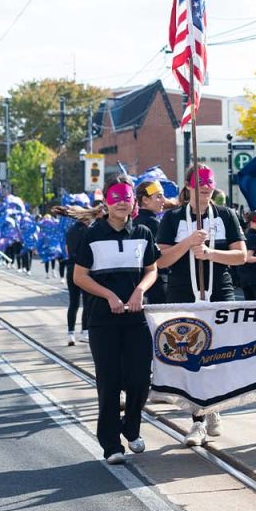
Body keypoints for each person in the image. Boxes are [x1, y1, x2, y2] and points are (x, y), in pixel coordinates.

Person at [70, 176, 160, 464]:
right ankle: (111, 445)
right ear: (106, 201)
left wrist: (139, 291)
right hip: (102, 321)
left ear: (134, 201)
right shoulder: (92, 234)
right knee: (108, 383)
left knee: (138, 380)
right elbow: (79, 277)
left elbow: (152, 269)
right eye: (116, 196)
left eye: (127, 196)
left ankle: (131, 429)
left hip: (136, 319)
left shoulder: (144, 232)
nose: (123, 201)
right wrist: (108, 295)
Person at [157, 163, 247, 446]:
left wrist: (210, 253)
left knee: (219, 354)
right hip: (183, 291)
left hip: (220, 291)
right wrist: (187, 244)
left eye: (209, 182)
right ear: (188, 186)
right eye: (199, 183)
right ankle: (197, 419)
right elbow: (162, 261)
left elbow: (241, 256)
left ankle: (215, 407)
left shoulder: (226, 215)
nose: (205, 188)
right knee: (191, 354)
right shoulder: (172, 219)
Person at [134, 180, 170, 305]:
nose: (164, 200)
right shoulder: (153, 223)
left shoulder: (134, 221)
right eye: (159, 196)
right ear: (145, 200)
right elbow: (160, 257)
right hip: (156, 282)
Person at [62, 212, 95, 346]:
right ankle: (84, 331)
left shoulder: (70, 230)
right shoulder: (88, 231)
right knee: (86, 301)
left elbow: (66, 248)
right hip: (84, 269)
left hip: (70, 268)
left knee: (73, 302)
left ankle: (70, 333)